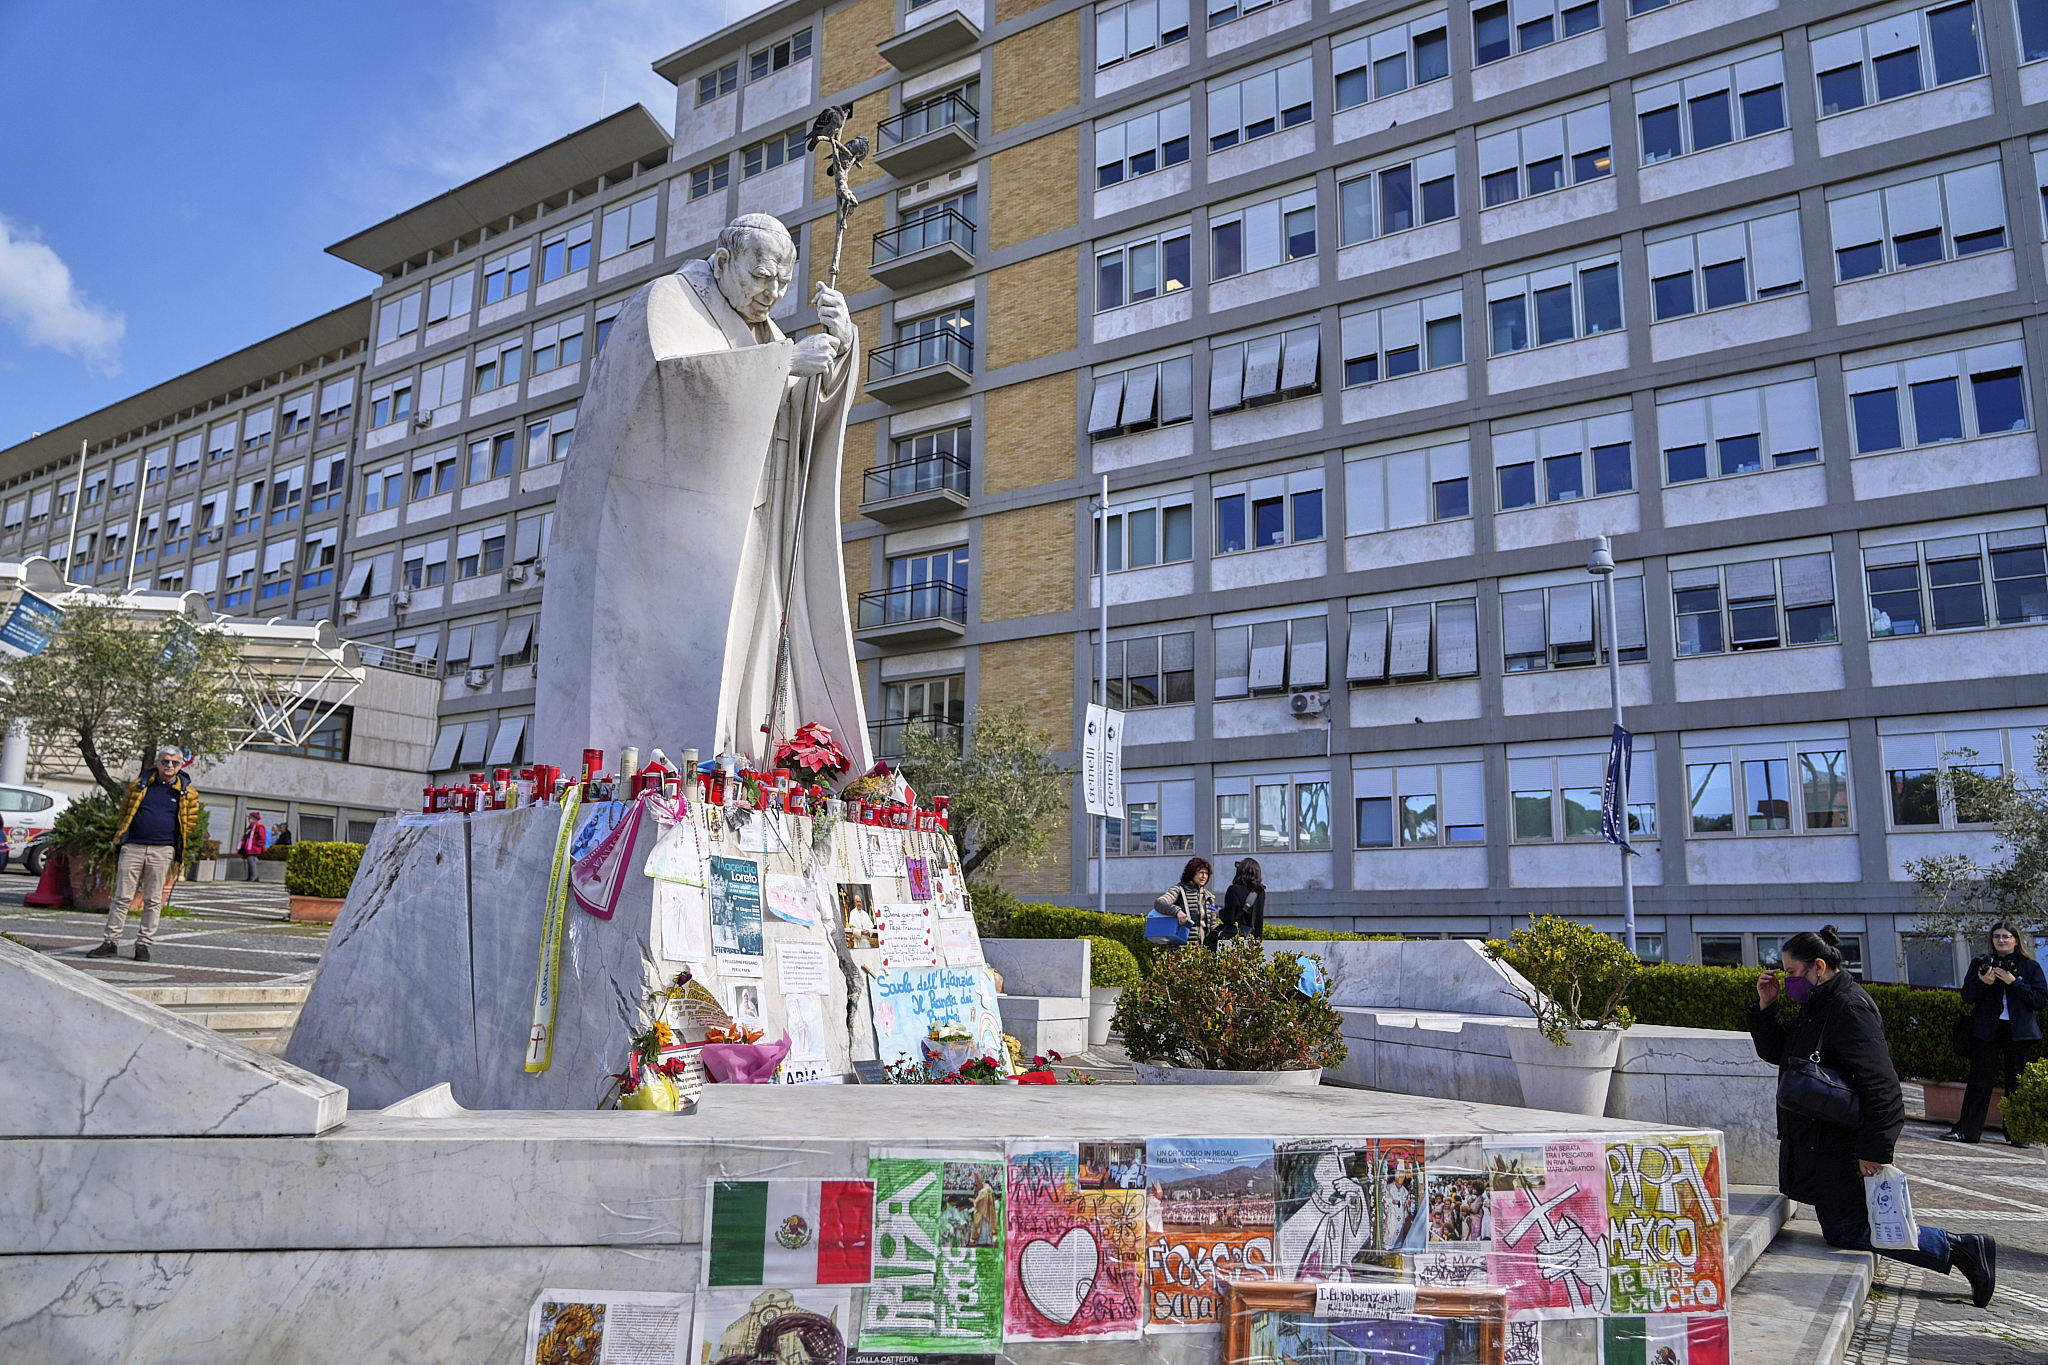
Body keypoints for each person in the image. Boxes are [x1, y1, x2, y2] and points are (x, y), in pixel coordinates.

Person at [1748, 925, 1997, 1307]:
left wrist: (1875, 1149)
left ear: (1818, 967)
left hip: (1841, 1144)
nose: (1787, 980)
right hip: (1823, 1141)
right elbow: (1781, 1054)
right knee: (1844, 1228)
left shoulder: (1848, 1007)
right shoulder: (1818, 1004)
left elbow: (1883, 1086)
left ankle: (1959, 1249)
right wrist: (1767, 1007)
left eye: (1791, 972)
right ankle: (1961, 1249)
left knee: (1848, 1228)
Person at [86, 746, 201, 963]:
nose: (169, 766)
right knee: (122, 897)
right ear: (157, 763)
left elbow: (189, 823)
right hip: (134, 847)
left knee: (153, 899)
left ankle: (143, 944)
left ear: (180, 765)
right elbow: (125, 813)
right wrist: (123, 839)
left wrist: (176, 846)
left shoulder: (188, 793)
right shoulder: (139, 786)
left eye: (174, 763)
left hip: (163, 849)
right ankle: (110, 941)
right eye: (165, 761)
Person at [1947, 921, 2047, 1146]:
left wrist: (2014, 983)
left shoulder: (2030, 967)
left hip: (2019, 1032)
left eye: (2006, 936)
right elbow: (1967, 996)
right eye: (1996, 936)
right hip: (1987, 1031)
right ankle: (1967, 1131)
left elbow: (2040, 1001)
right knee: (1979, 1081)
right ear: (1991, 940)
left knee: (2017, 1082)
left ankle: (2018, 1134)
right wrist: (1984, 982)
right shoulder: (1981, 963)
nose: (2001, 940)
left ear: (2016, 940)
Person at [1154, 856, 1215, 950]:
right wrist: (1177, 911)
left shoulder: (1209, 897)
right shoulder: (1179, 890)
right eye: (1201, 872)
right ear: (1191, 873)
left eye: (1206, 873)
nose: (1204, 876)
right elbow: (1159, 903)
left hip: (1203, 952)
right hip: (1180, 950)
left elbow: (1213, 924)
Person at [1219, 858, 1267, 946]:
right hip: (1251, 939)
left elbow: (1228, 919)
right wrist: (1258, 941)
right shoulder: (1260, 892)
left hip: (1234, 938)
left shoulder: (1233, 890)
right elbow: (1259, 920)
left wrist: (1219, 912)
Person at [238, 810, 269, 882]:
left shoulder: (259, 826)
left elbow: (262, 837)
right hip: (250, 848)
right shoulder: (251, 827)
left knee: (252, 862)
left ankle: (254, 877)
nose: (249, 820)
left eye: (250, 818)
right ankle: (250, 877)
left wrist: (258, 844)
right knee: (250, 862)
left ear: (254, 819)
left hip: (254, 848)